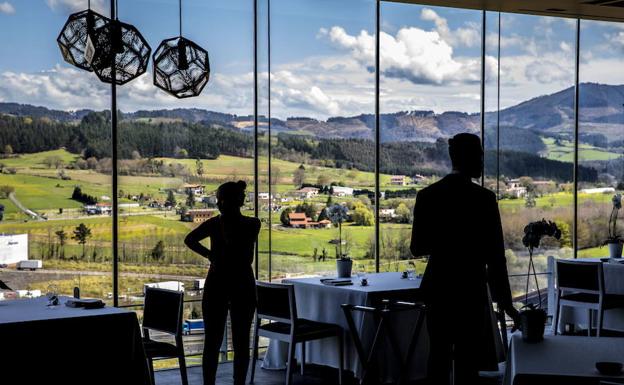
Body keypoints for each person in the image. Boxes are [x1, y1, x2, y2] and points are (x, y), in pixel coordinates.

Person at [410, 133, 519, 385]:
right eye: (479, 155)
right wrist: (506, 303)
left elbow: (417, 248)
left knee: (437, 358)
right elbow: (496, 257)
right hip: (471, 291)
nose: (482, 161)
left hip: (437, 288)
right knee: (468, 363)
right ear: (468, 157)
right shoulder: (484, 199)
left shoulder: (427, 195)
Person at [185, 180, 261, 385]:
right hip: (243, 284)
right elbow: (244, 254)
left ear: (226, 202)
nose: (217, 204)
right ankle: (239, 383)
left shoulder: (214, 224)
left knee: (212, 341)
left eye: (219, 200)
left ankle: (209, 383)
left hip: (216, 282)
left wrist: (210, 255)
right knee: (241, 341)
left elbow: (190, 240)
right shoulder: (253, 224)